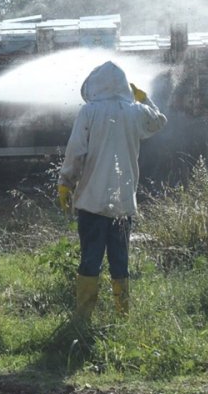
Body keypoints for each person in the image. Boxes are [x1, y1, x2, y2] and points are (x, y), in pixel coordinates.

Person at [57, 61, 167, 319]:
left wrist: (66, 182)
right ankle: (122, 314)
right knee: (120, 261)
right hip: (123, 204)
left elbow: (75, 153)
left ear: (95, 86)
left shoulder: (89, 111)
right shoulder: (136, 112)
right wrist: (146, 99)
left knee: (90, 260)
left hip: (91, 203)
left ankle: (83, 316)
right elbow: (159, 121)